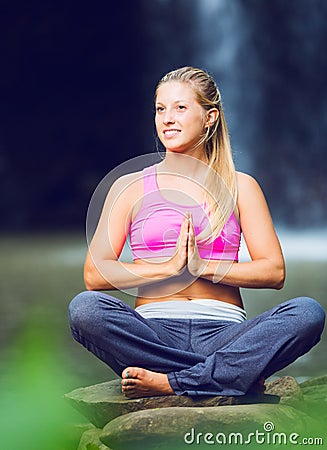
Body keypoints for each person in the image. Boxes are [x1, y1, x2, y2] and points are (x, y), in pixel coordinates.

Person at [68, 66, 325, 399]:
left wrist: (203, 267)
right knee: (85, 309)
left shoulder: (241, 187)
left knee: (307, 313)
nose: (167, 118)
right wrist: (167, 268)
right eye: (160, 109)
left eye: (180, 108)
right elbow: (95, 274)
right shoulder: (129, 187)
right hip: (151, 334)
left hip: (225, 332)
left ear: (210, 117)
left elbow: (274, 271)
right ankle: (224, 374)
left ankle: (172, 381)